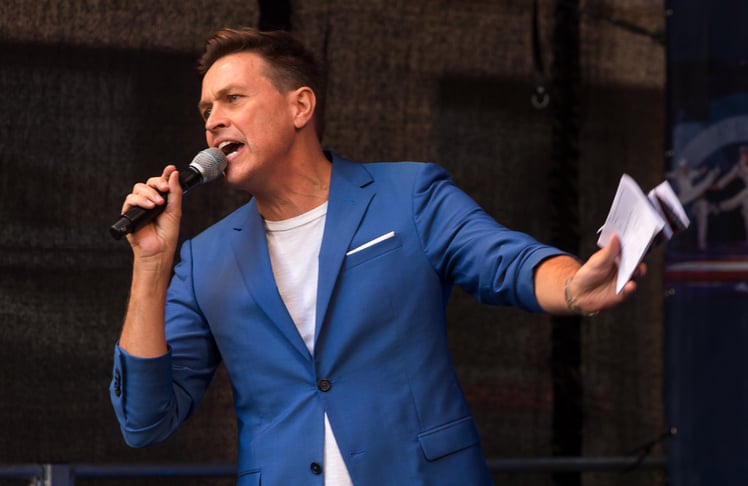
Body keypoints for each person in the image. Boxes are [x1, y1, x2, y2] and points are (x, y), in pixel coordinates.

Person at [110, 27, 645, 486]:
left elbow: (505, 262)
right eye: (206, 109)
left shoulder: (408, 195)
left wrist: (572, 287)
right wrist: (151, 266)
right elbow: (144, 420)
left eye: (232, 99)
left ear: (300, 107)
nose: (213, 120)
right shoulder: (204, 258)